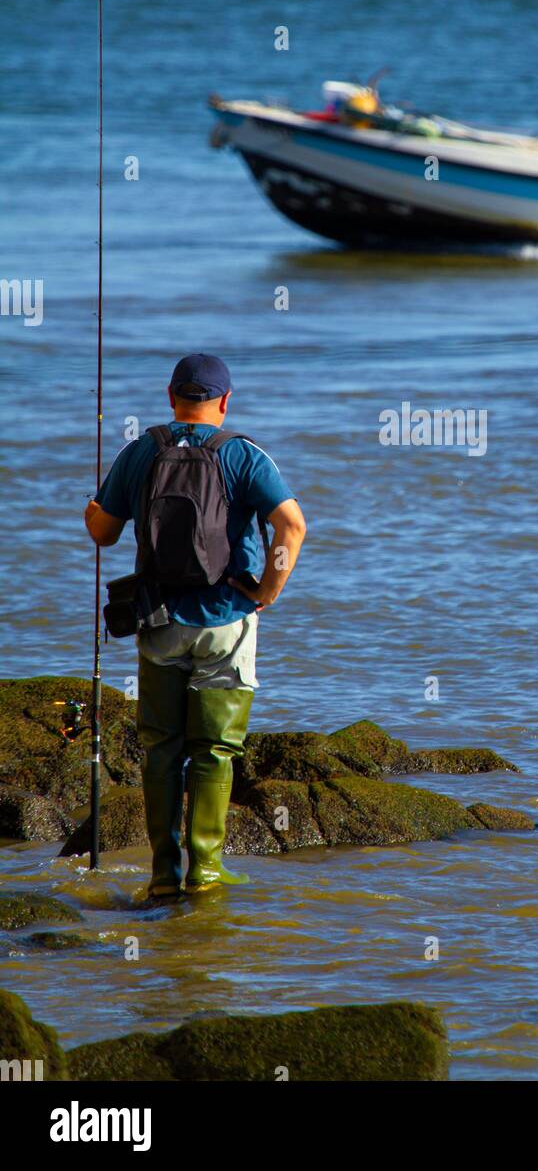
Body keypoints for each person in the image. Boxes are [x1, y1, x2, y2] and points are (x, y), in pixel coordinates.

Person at [84, 353, 306, 898]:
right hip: (226, 621)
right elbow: (292, 526)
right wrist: (266, 593)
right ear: (225, 402)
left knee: (162, 748)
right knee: (215, 749)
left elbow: (102, 534)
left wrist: (95, 505)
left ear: (171, 396)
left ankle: (164, 876)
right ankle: (205, 872)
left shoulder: (140, 449)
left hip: (158, 623)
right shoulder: (244, 455)